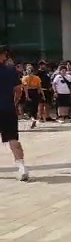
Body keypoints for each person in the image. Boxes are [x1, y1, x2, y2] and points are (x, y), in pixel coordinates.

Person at [0, 46, 29, 181]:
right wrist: (14, 103)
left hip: (6, 108)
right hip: (7, 108)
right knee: (13, 139)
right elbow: (18, 90)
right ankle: (22, 168)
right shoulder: (11, 71)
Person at [21, 65, 43, 129]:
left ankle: (32, 118)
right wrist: (41, 95)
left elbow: (25, 87)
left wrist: (27, 95)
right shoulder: (37, 78)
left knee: (29, 106)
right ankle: (33, 118)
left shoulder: (25, 78)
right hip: (35, 92)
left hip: (29, 92)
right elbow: (39, 87)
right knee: (34, 107)